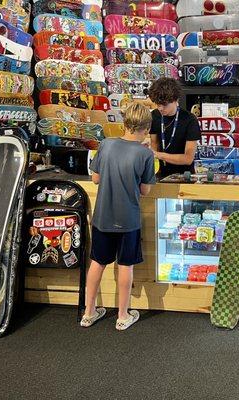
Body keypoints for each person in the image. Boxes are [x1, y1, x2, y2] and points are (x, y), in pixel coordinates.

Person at [80, 103, 156, 331]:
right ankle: (123, 316)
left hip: (103, 216)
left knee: (97, 262)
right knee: (126, 265)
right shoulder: (145, 154)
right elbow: (145, 190)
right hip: (128, 219)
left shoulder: (107, 144)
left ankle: (88, 313)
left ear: (124, 123)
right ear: (147, 127)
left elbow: (95, 178)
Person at [148, 77, 201, 177]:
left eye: (164, 105)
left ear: (175, 100)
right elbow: (154, 144)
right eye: (157, 104)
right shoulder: (154, 116)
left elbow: (188, 159)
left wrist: (158, 155)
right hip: (160, 174)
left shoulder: (190, 120)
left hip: (184, 176)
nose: (160, 108)